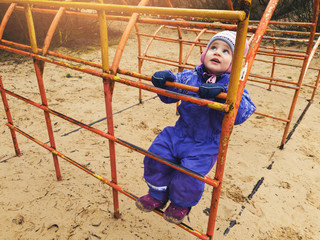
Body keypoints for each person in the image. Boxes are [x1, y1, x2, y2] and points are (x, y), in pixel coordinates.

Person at [135, 31, 256, 224]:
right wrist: (165, 81)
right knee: (155, 156)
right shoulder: (191, 76)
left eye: (226, 51)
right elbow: (172, 92)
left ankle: (180, 203)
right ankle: (157, 195)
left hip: (205, 142)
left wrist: (223, 95)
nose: (217, 52)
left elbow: (242, 112)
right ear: (205, 52)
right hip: (179, 132)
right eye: (213, 47)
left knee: (189, 173)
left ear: (235, 63)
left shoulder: (234, 85)